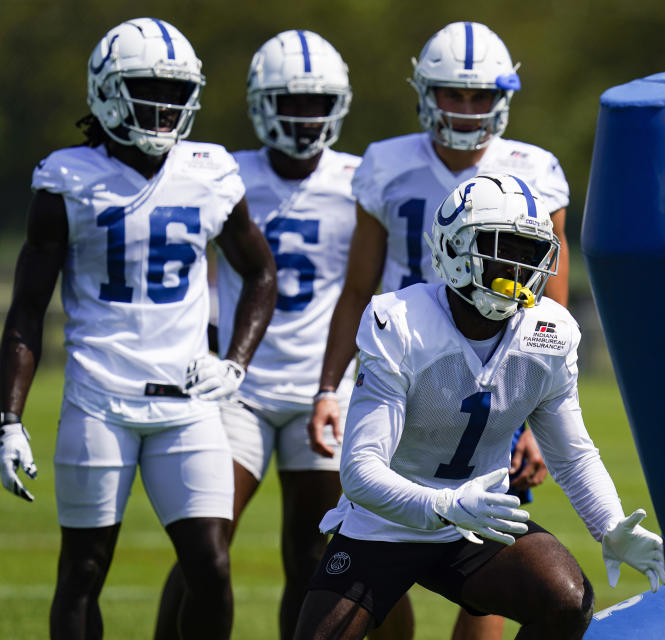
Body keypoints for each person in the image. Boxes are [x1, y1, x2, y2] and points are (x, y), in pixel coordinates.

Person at [293, 174, 665, 640]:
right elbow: (361, 471)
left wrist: (610, 525)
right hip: (388, 519)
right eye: (501, 247)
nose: (516, 266)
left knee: (568, 602)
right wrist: (446, 504)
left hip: (477, 520)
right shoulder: (402, 323)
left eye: (529, 254)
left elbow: (572, 455)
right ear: (455, 248)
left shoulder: (548, 333)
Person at [0, 18, 277, 640]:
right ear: (104, 91)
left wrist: (234, 360)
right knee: (84, 570)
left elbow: (260, 274)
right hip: (99, 399)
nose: (162, 104)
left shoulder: (210, 171)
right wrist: (8, 417)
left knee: (210, 565)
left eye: (176, 90)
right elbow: (26, 309)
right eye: (146, 86)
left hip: (189, 401)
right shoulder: (66, 180)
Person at [309, 22, 570, 636]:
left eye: (480, 95)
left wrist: (538, 419)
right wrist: (328, 386)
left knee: (485, 554)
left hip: (492, 373)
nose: (466, 108)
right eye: (454, 93)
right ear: (426, 92)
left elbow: (547, 311)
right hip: (402, 363)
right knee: (377, 532)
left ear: (503, 98)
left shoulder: (536, 168)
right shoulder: (387, 163)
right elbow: (358, 285)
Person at [153, 30, 358, 640]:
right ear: (261, 103)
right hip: (233, 384)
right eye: (290, 101)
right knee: (203, 546)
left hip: (324, 389)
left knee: (314, 556)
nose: (304, 116)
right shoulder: (222, 171)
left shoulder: (362, 179)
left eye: (317, 102)